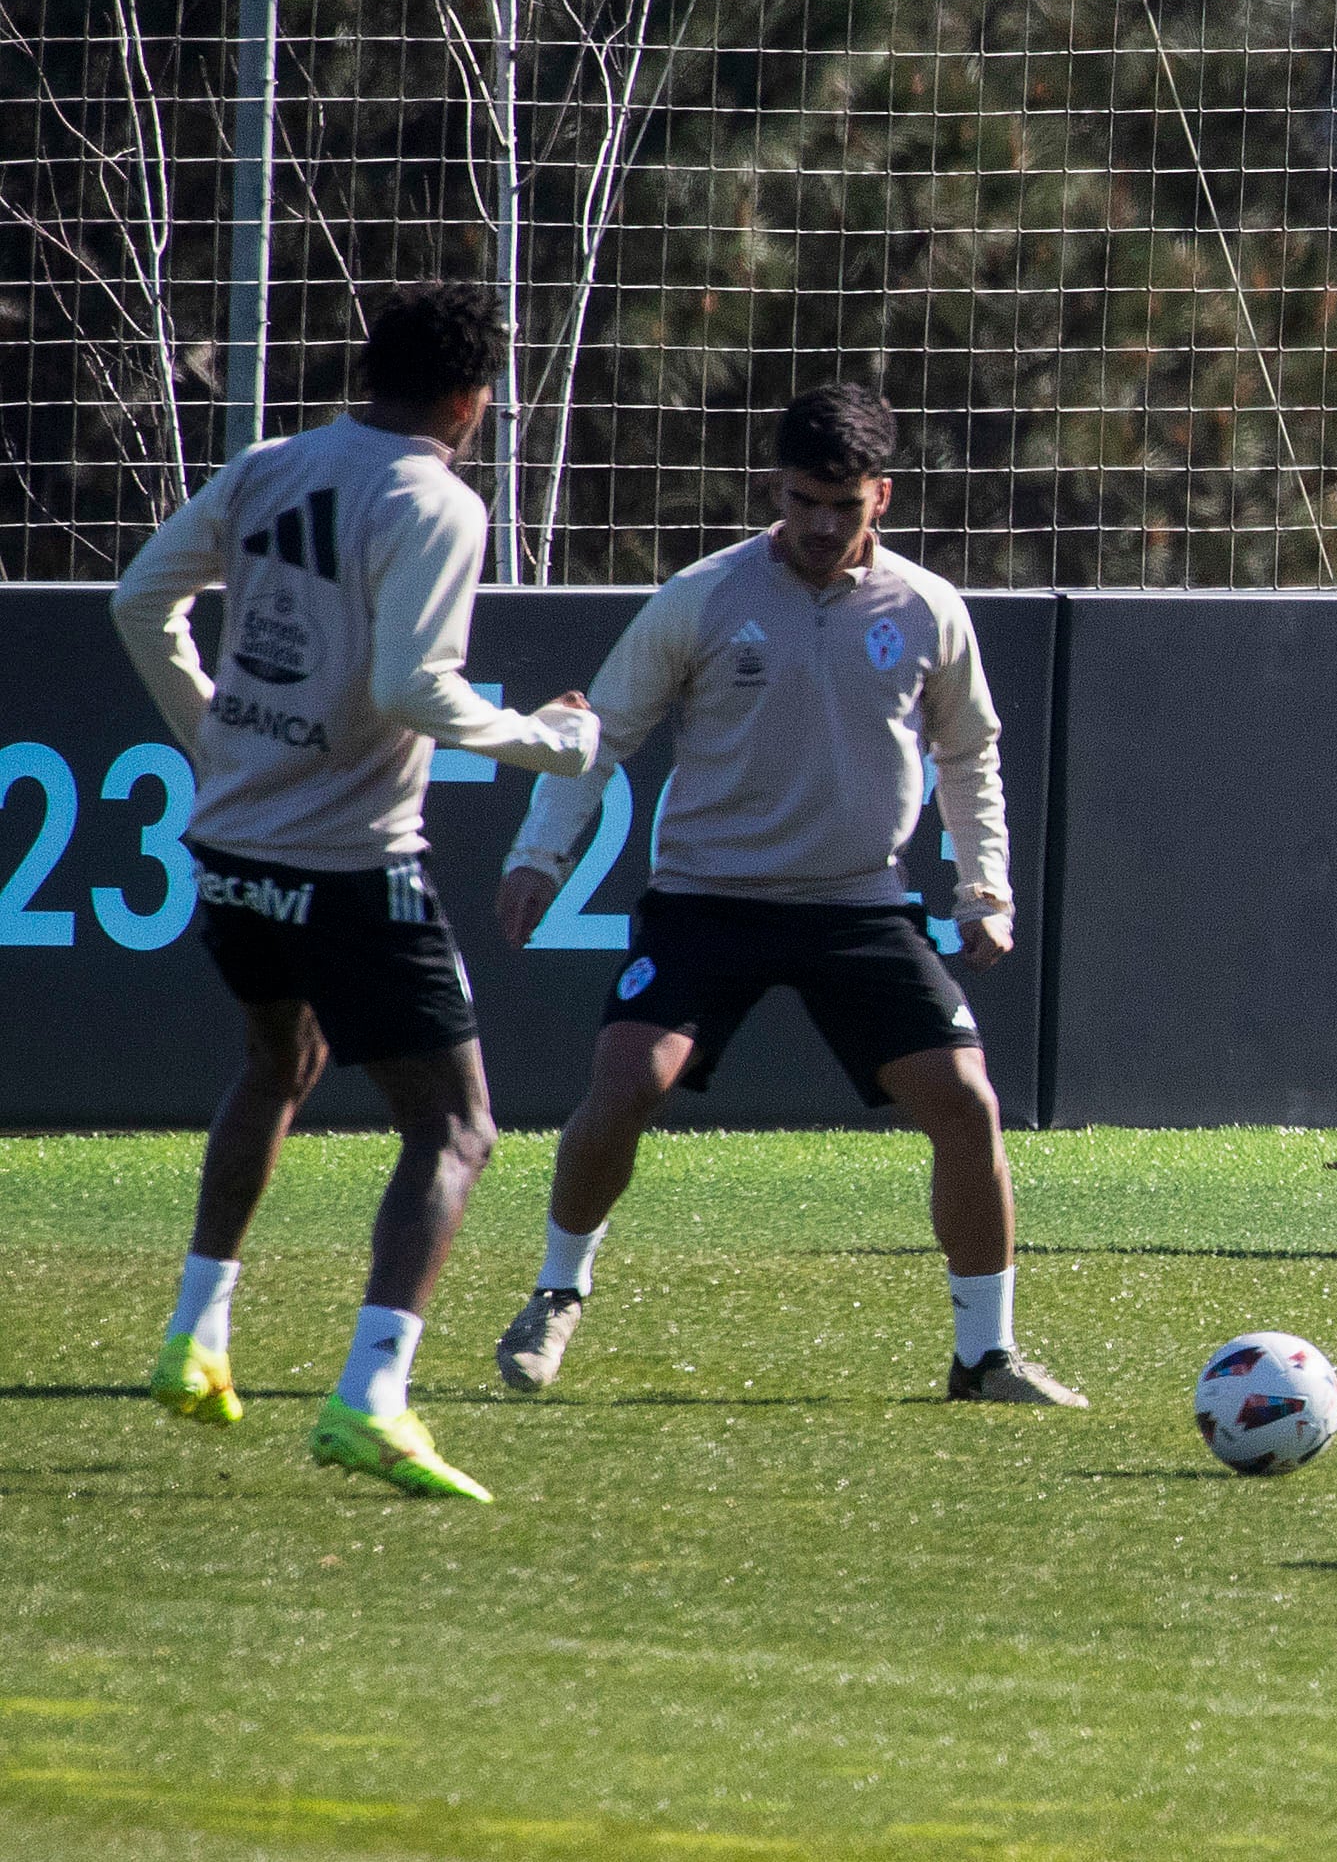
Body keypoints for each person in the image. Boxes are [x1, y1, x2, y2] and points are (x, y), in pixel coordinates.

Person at [489, 384, 1084, 1406]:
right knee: (627, 1077)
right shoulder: (704, 596)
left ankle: (984, 1355)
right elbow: (602, 734)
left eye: (842, 506)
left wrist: (985, 885)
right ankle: (556, 1291)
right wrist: (540, 853)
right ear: (777, 488)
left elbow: (968, 752)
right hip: (707, 898)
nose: (820, 525)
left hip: (858, 904)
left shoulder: (928, 608)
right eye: (804, 500)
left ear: (880, 498)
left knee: (967, 1101)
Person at [118, 281, 601, 1501]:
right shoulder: (435, 498)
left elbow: (139, 602)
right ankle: (371, 1396)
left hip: (232, 854)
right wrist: (545, 739)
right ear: (468, 397)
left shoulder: (273, 463)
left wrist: (215, 740)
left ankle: (195, 1331)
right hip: (346, 863)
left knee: (278, 1065)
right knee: (455, 1126)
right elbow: (413, 689)